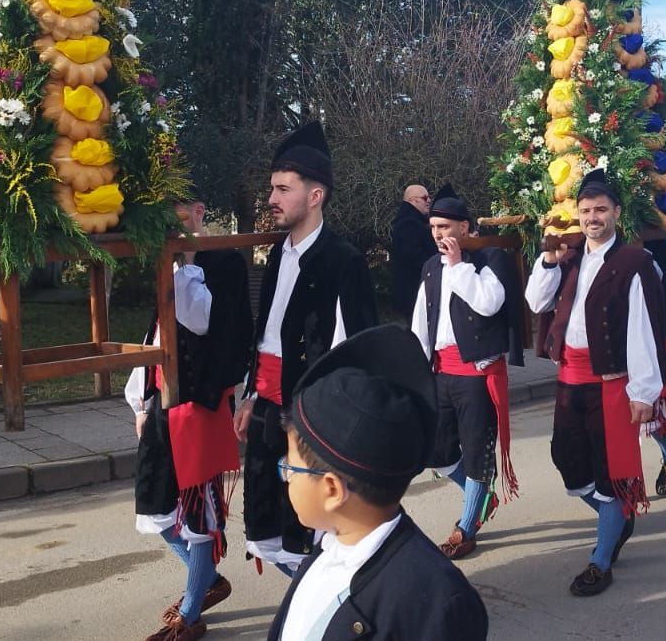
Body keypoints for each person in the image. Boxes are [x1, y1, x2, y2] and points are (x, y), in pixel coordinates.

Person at [267, 324, 486, 641]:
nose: (285, 476)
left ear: (332, 490)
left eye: (290, 467)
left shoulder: (436, 605)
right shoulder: (328, 547)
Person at [238, 121, 378, 576]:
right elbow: (270, 332)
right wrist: (251, 395)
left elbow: (358, 348)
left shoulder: (344, 261)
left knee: (310, 524)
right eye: (272, 188)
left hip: (310, 412)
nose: (272, 199)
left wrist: (340, 420)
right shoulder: (279, 253)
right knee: (268, 520)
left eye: (283, 189)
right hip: (267, 407)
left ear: (315, 196)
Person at [524, 169, 666, 595]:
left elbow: (644, 328)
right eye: (586, 210)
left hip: (612, 383)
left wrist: (644, 392)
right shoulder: (565, 259)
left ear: (616, 213)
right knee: (568, 462)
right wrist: (548, 261)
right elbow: (535, 302)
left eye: (601, 209)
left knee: (610, 473)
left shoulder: (634, 262)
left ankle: (600, 560)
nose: (592, 217)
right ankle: (619, 515)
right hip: (569, 378)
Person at [125, 192, 254, 641]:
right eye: (167, 221)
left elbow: (203, 323)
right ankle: (207, 580)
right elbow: (156, 331)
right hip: (162, 403)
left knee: (199, 519)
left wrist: (186, 262)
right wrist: (142, 399)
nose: (175, 229)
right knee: (156, 509)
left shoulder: (223, 263)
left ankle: (192, 612)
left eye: (183, 217)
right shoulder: (165, 256)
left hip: (200, 404)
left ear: (201, 213)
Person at [410, 184, 523, 559]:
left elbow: (489, 304)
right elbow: (422, 323)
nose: (438, 234)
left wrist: (459, 266)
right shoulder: (430, 267)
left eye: (445, 227)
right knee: (437, 452)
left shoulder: (490, 258)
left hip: (476, 374)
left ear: (465, 227)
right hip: (441, 372)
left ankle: (467, 525)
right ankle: (481, 497)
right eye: (433, 228)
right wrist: (414, 369)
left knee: (476, 453)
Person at [388, 185, 436, 320]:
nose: (429, 201)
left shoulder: (414, 222)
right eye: (424, 197)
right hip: (413, 290)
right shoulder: (408, 224)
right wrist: (435, 266)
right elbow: (413, 256)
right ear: (412, 200)